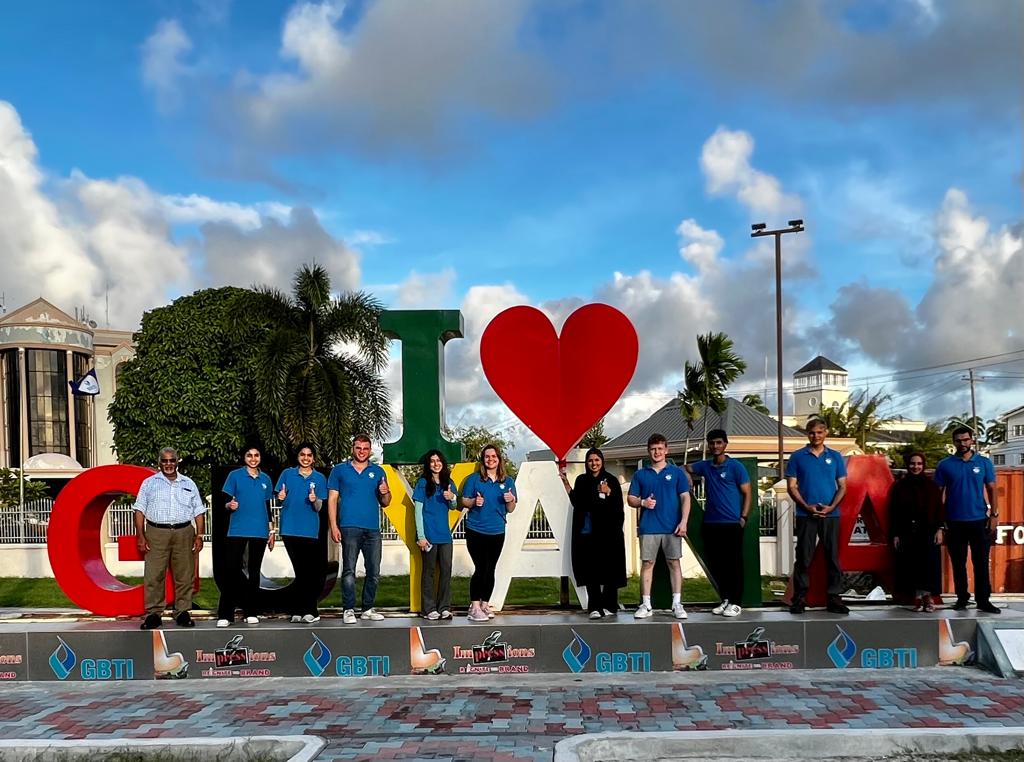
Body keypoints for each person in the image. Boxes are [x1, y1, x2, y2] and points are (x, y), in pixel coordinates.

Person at [133, 447, 206, 630]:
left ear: (177, 461)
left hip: (184, 532)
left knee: (184, 574)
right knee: (154, 574)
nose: (168, 464)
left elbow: (198, 511)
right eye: (164, 461)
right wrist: (141, 536)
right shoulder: (149, 483)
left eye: (171, 460)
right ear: (159, 462)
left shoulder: (188, 483)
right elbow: (139, 510)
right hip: (157, 532)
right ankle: (154, 614)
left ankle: (182, 611)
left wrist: (199, 535)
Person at [684, 429, 751, 618]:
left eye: (719, 443)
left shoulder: (736, 467)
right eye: (712, 443)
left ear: (725, 444)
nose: (715, 446)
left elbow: (748, 493)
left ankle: (737, 603)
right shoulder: (705, 466)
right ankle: (726, 600)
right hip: (711, 523)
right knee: (718, 565)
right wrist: (688, 475)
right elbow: (685, 468)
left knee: (734, 564)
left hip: (731, 523)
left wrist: (743, 517)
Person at [934, 426, 1000, 614]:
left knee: (980, 563)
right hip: (954, 521)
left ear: (972, 440)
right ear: (953, 442)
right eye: (958, 440)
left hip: (979, 520)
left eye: (965, 440)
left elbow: (992, 489)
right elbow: (937, 495)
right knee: (958, 563)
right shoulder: (945, 465)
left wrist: (994, 515)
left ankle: (983, 601)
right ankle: (962, 598)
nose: (962, 444)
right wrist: (940, 521)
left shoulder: (984, 463)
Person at [786, 418, 849, 615]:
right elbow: (791, 486)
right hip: (806, 514)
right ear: (807, 434)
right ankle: (800, 598)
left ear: (826, 433)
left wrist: (831, 507)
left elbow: (843, 486)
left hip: (831, 515)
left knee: (832, 557)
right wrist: (806, 506)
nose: (816, 436)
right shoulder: (797, 457)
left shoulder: (836, 457)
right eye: (812, 432)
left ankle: (834, 598)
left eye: (820, 432)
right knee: (803, 557)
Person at [328, 434, 392, 624]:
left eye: (365, 448)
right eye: (358, 448)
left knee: (373, 570)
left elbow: (386, 503)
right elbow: (332, 499)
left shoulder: (378, 471)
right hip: (349, 526)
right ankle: (348, 609)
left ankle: (368, 608)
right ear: (353, 448)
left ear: (370, 450)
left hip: (372, 528)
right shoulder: (339, 470)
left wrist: (386, 492)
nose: (362, 451)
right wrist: (333, 525)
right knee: (349, 570)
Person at [626, 433, 691, 620]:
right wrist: (642, 503)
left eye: (660, 449)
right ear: (648, 451)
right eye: (653, 449)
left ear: (666, 450)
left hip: (672, 528)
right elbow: (631, 498)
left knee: (674, 563)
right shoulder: (640, 474)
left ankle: (677, 604)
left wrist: (684, 521)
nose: (657, 452)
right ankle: (646, 605)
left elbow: (685, 498)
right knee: (647, 564)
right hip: (649, 527)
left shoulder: (676, 472)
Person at [559, 448, 627, 619]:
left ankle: (610, 605)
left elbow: (618, 507)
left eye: (597, 460)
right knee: (591, 571)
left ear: (602, 461)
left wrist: (608, 493)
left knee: (610, 569)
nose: (594, 463)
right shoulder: (582, 480)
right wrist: (567, 484)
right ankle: (594, 607)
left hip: (608, 534)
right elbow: (577, 502)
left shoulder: (610, 480)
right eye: (590, 460)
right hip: (588, 533)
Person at [217, 446, 275, 627]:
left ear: (260, 457)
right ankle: (225, 614)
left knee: (254, 571)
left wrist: (272, 531)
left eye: (256, 455)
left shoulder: (266, 479)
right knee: (231, 571)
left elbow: (267, 507)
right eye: (249, 455)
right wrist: (229, 506)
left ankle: (251, 611)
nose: (253, 458)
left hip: (259, 531)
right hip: (237, 530)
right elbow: (223, 502)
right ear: (244, 457)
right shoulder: (235, 476)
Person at [461, 443, 517, 622]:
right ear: (483, 460)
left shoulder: (507, 481)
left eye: (494, 456)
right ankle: (474, 606)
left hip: (497, 531)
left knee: (491, 568)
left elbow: (511, 508)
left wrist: (510, 500)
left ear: (499, 459)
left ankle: (485, 604)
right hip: (476, 529)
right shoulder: (474, 479)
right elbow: (464, 501)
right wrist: (473, 502)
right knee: (481, 567)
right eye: (487, 457)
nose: (490, 459)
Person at [276, 443, 329, 624]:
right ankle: (298, 609)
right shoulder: (287, 474)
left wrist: (314, 500)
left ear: (313, 458)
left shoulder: (320, 478)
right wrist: (280, 497)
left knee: (309, 573)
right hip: (290, 529)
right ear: (298, 456)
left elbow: (319, 506)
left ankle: (310, 610)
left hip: (310, 531)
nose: (305, 458)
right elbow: (280, 497)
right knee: (300, 572)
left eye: (309, 455)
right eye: (302, 454)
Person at [889, 452, 944, 612]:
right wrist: (896, 534)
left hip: (928, 532)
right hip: (907, 533)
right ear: (908, 465)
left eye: (919, 464)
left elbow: (939, 510)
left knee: (928, 566)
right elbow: (894, 512)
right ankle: (917, 597)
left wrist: (940, 529)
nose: (916, 467)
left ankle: (928, 597)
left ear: (923, 465)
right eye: (913, 464)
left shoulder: (931, 487)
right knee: (911, 566)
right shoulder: (900, 487)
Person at [413, 449, 460, 620]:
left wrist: (452, 497)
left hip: (445, 536)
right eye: (432, 461)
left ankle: (444, 607)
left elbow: (454, 506)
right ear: (428, 464)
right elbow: (417, 511)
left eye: (438, 460)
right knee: (429, 572)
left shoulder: (449, 482)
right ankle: (428, 609)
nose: (436, 463)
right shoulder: (423, 483)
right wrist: (421, 536)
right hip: (428, 536)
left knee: (446, 570)